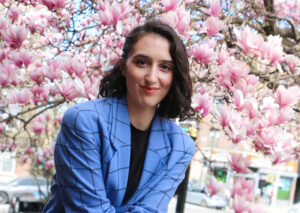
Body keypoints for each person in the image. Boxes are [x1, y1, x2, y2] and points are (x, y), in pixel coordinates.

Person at [42, 19, 195, 213]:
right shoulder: (84, 122)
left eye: (165, 67)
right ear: (123, 66)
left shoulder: (180, 147)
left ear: (175, 76)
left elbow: (150, 210)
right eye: (142, 62)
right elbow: (89, 210)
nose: (152, 77)